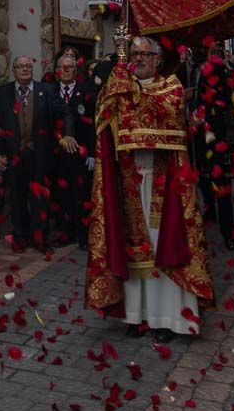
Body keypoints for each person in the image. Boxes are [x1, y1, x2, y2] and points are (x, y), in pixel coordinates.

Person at [85, 37, 213, 342]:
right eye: (135, 53)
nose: (139, 58)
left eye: (145, 54)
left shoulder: (171, 87)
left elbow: (158, 114)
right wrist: (117, 70)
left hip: (163, 182)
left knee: (161, 247)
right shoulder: (122, 84)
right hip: (128, 180)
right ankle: (136, 315)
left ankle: (167, 319)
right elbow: (104, 112)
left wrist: (125, 91)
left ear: (158, 60)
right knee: (132, 249)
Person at [0, 57, 50, 252]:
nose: (25, 69)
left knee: (40, 199)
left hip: (38, 154)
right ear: (13, 71)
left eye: (28, 66)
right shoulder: (2, 93)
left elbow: (53, 122)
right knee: (17, 198)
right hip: (13, 154)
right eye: (21, 66)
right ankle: (20, 237)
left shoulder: (44, 91)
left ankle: (40, 239)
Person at [45, 53, 95, 250]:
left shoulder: (87, 91)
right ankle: (66, 233)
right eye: (62, 67)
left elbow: (93, 124)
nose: (66, 71)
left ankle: (84, 236)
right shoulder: (49, 92)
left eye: (70, 67)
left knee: (82, 196)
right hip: (57, 156)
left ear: (76, 71)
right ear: (56, 71)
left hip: (81, 155)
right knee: (61, 196)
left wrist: (92, 152)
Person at [191, 49, 234, 250]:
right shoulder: (192, 71)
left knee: (222, 186)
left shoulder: (220, 73)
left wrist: (206, 115)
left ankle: (228, 231)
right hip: (201, 138)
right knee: (203, 180)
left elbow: (226, 104)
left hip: (219, 138)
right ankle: (209, 212)